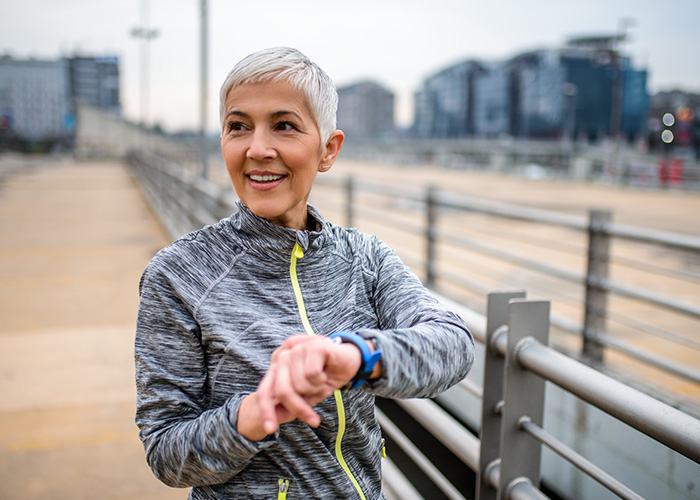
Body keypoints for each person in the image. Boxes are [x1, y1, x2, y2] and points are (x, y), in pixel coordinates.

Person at [135, 46, 474, 500]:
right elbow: (166, 453)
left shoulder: (363, 257)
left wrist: (354, 357)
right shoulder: (177, 275)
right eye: (238, 126)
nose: (257, 148)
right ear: (222, 141)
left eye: (284, 126)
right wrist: (257, 413)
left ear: (328, 149)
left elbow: (452, 344)